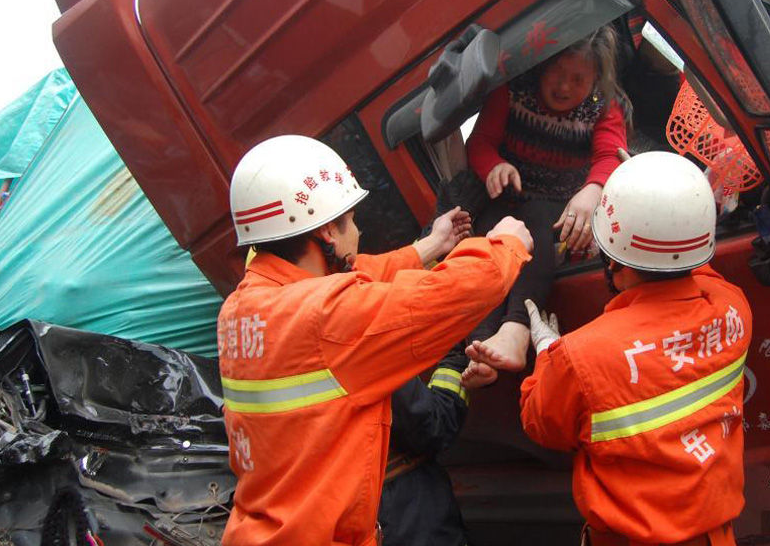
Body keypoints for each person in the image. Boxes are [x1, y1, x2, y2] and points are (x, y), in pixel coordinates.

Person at [217, 135, 533, 546]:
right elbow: (452, 294)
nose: (359, 230)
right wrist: (506, 245)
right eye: (350, 220)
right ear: (327, 231)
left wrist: (429, 246)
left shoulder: (242, 307)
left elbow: (352, 278)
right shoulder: (325, 317)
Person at [519, 152, 752, 546]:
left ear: (611, 260)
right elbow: (694, 263)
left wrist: (546, 353)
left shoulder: (581, 357)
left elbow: (542, 425)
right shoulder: (732, 307)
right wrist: (668, 200)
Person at [462, 25, 631, 386]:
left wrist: (592, 190)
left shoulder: (604, 106)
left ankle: (517, 328)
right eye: (557, 72)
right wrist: (494, 167)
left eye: (578, 79)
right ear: (542, 64)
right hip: (506, 198)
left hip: (557, 205)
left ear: (596, 80)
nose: (564, 86)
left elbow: (610, 155)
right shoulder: (512, 89)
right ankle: (481, 345)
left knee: (538, 223)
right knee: (489, 244)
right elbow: (480, 142)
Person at [379, 342, 471, 546]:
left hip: (321, 505)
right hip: (399, 506)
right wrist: (456, 355)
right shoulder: (356, 337)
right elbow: (434, 426)